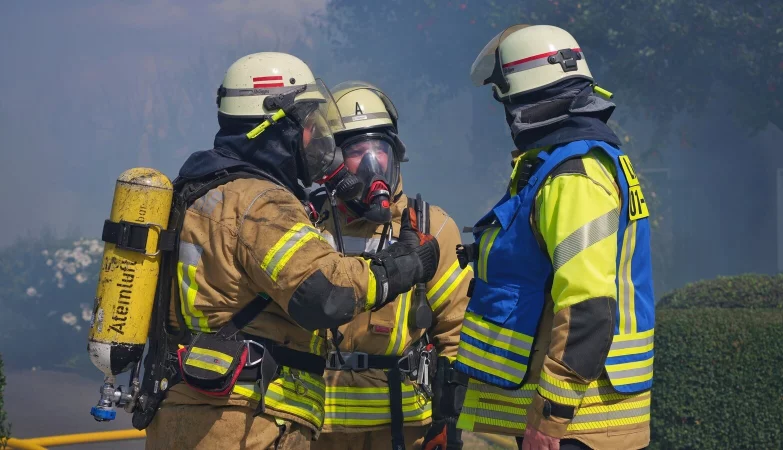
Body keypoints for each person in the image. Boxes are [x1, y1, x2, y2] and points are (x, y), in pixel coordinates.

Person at [143, 52, 441, 450]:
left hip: (186, 410)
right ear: (275, 127)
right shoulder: (262, 203)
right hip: (243, 423)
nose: (313, 137)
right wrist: (405, 265)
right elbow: (326, 296)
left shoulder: (198, 190)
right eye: (306, 123)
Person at [452, 25, 656, 450]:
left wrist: (550, 418)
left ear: (522, 100)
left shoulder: (573, 178)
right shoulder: (567, 167)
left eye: (506, 102)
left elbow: (588, 308)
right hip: (574, 424)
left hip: (575, 428)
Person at [309, 81, 472, 450]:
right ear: (331, 160)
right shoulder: (307, 224)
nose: (373, 163)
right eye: (357, 151)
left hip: (403, 428)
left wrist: (448, 420)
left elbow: (458, 331)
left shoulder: (431, 228)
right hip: (316, 424)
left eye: (379, 150)